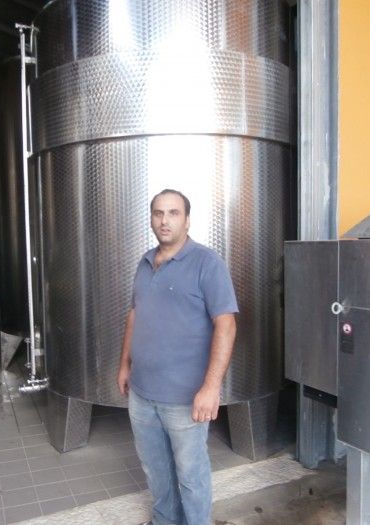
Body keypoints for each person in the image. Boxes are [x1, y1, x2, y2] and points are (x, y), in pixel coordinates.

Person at [117, 189, 238, 525]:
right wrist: (125, 364)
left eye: (173, 213)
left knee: (191, 476)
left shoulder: (207, 263)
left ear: (187, 220)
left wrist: (211, 387)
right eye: (158, 213)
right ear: (151, 219)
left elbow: (226, 324)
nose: (164, 220)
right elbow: (134, 315)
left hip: (185, 398)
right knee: (156, 472)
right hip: (142, 394)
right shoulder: (145, 262)